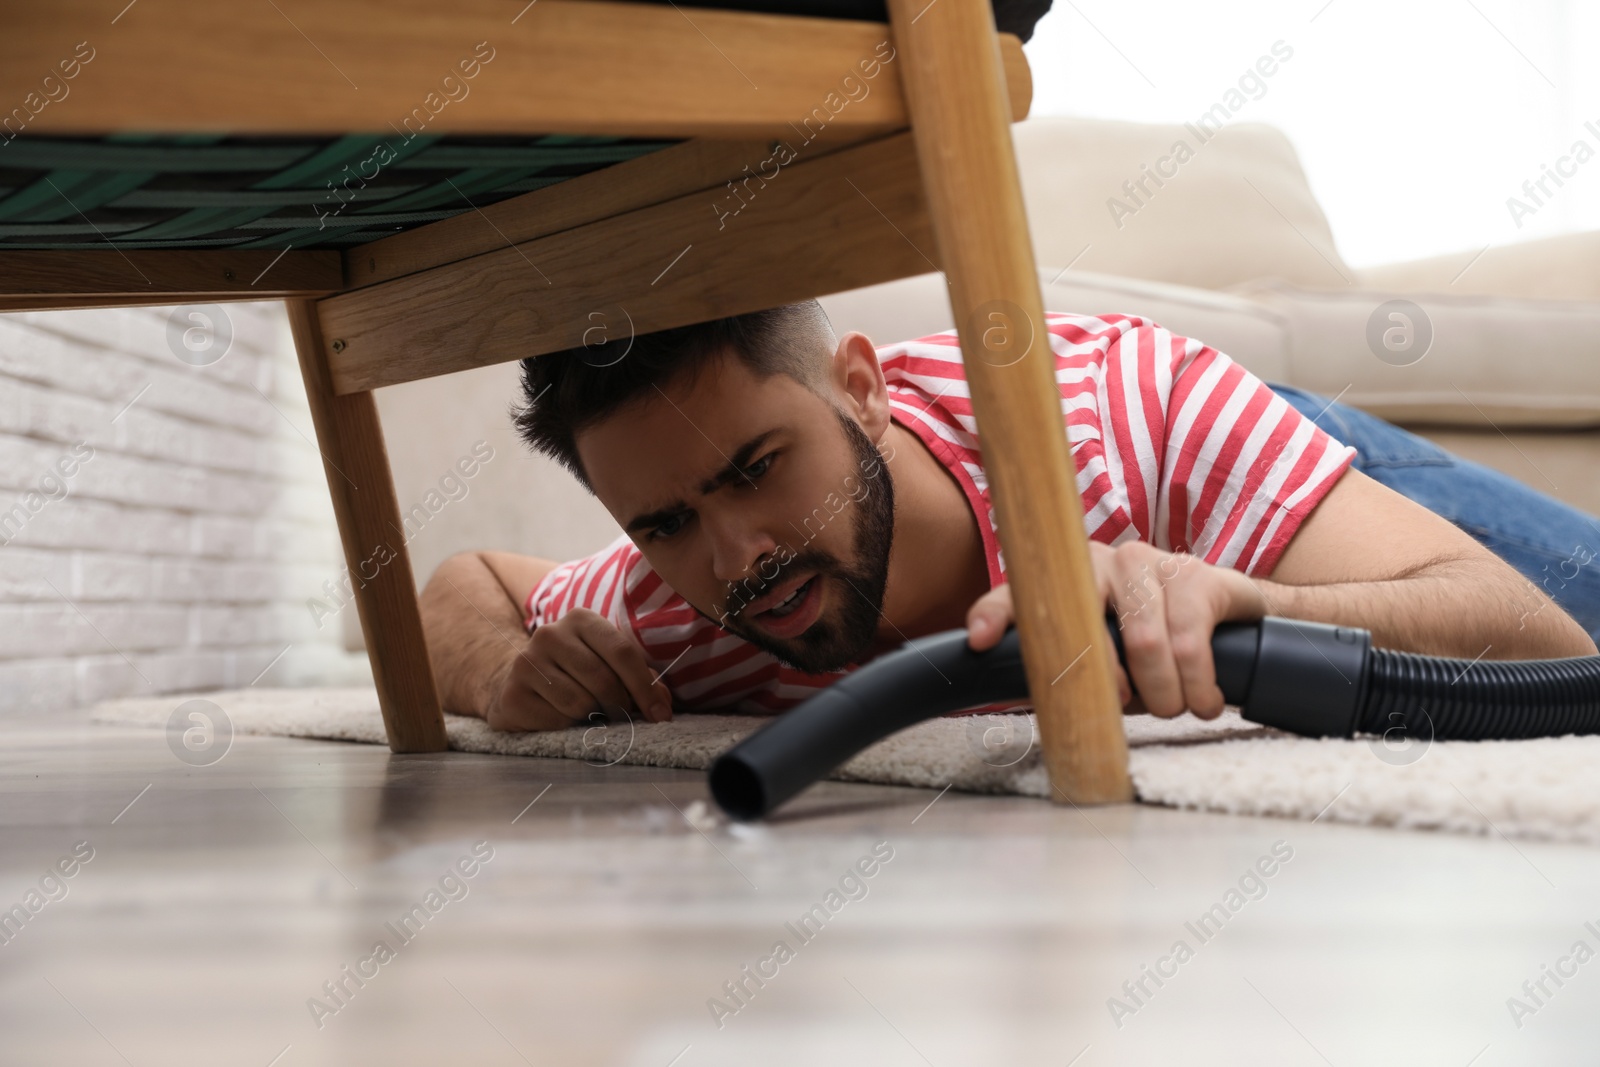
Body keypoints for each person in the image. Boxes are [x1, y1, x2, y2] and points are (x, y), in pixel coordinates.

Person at [418, 302, 1598, 733]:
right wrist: (504, 669)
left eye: (760, 467)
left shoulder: (1133, 411)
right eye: (664, 522)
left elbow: (1546, 646)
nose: (736, 556)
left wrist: (1251, 600)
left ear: (863, 391)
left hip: (1271, 485)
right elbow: (464, 583)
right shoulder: (686, 600)